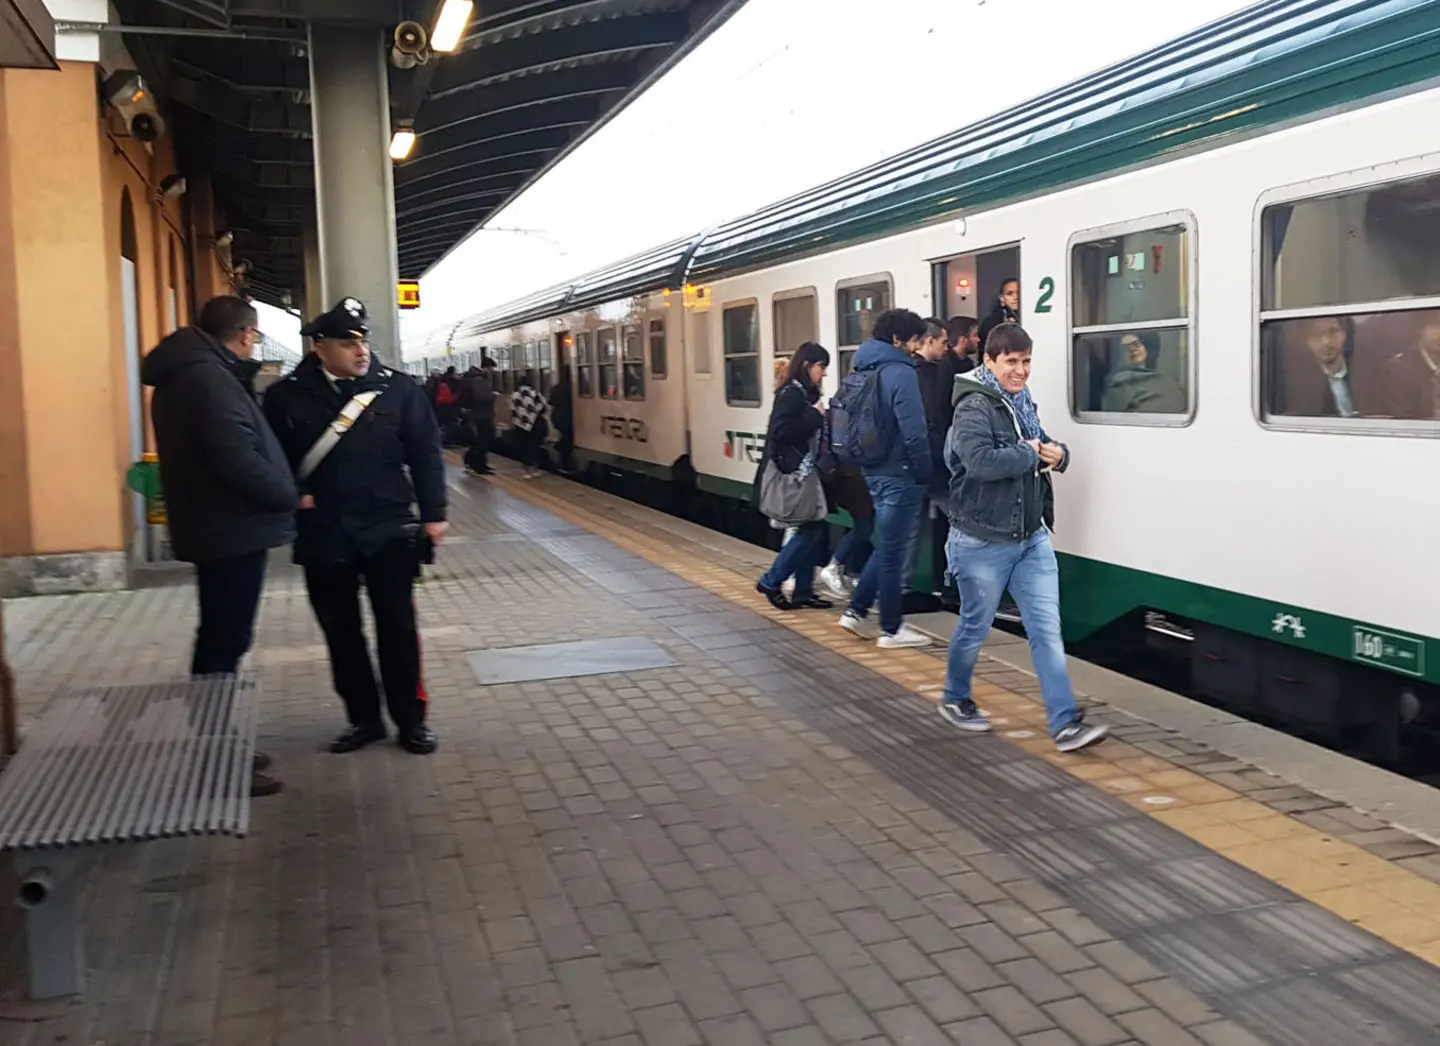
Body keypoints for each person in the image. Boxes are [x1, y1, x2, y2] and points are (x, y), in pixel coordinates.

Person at [263, 297, 447, 756]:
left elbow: (426, 454)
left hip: (388, 528)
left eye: (362, 341)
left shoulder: (399, 390)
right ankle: (363, 719)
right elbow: (268, 457)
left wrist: (435, 513)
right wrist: (291, 492)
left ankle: (411, 720)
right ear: (320, 348)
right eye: (347, 343)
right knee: (341, 633)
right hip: (324, 530)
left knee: (398, 629)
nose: (359, 350)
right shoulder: (287, 396)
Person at [142, 295, 298, 798]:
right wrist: (288, 495)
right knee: (224, 641)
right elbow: (237, 457)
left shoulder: (191, 372)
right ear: (247, 334)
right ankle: (215, 756)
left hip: (218, 525)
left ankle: (220, 744)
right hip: (228, 528)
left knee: (222, 637)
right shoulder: (207, 379)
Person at [937, 322, 1107, 753]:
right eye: (1011, 362)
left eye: (1026, 361)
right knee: (974, 627)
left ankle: (1065, 722)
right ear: (989, 361)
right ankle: (956, 697)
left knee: (1047, 630)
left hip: (1030, 537)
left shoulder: (1020, 400)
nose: (1020, 370)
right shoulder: (974, 406)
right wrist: (1031, 454)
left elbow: (1039, 441)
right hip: (981, 540)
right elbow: (978, 462)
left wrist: (1058, 453)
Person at [835, 309, 933, 649]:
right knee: (893, 553)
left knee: (887, 545)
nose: (918, 347)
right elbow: (915, 431)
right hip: (900, 473)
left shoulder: (864, 366)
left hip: (873, 469)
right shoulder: (900, 373)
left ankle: (856, 611)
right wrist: (924, 471)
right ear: (898, 340)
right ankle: (891, 629)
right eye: (915, 340)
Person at [755, 343, 834, 611]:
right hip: (796, 473)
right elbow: (781, 431)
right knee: (811, 527)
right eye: (821, 367)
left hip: (806, 471)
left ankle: (803, 592)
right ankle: (772, 580)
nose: (823, 373)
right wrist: (814, 416)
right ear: (806, 365)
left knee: (812, 526)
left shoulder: (802, 392)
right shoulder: (792, 394)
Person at [1100, 331, 1187, 414]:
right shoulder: (1116, 382)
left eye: (1137, 344)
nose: (1132, 349)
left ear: (1147, 347)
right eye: (1125, 346)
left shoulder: (1168, 381)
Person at [461, 358, 498, 474]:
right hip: (481, 415)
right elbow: (482, 397)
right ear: (486, 367)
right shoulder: (479, 379)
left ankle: (477, 462)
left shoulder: (476, 378)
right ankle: (477, 464)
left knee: (482, 439)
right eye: (492, 368)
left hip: (478, 414)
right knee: (484, 439)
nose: (493, 371)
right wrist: (493, 395)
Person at [510, 374, 547, 478]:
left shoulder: (515, 395)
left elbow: (513, 410)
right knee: (534, 446)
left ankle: (526, 471)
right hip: (535, 424)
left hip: (520, 424)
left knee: (524, 447)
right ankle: (534, 470)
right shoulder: (535, 394)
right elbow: (543, 407)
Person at [977, 278, 1020, 350]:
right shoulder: (991, 322)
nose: (1016, 297)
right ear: (1002, 299)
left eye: (1019, 293)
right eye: (1010, 293)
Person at [549, 365, 576, 474]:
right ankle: (565, 463)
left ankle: (562, 461)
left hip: (557, 417)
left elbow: (550, 402)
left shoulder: (557, 388)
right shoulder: (573, 388)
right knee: (567, 438)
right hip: (569, 417)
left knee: (564, 437)